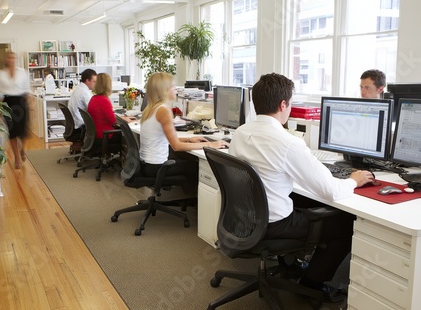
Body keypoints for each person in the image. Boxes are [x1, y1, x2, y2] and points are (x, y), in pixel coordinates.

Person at [229, 73, 374, 302]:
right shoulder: (288, 143)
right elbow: (331, 191)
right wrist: (353, 180)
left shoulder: (241, 133)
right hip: (274, 225)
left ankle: (290, 263)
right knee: (345, 223)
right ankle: (312, 284)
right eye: (291, 103)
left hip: (245, 218)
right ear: (283, 104)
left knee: (306, 202)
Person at [139, 72, 228, 195]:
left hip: (147, 165)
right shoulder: (163, 110)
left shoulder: (150, 109)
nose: (176, 89)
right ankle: (195, 206)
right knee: (194, 166)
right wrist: (210, 145)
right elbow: (176, 146)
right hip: (157, 168)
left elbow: (162, 139)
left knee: (186, 161)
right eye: (173, 87)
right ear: (164, 90)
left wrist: (189, 140)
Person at [0, 51, 32, 169]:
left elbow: (28, 89)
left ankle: (23, 150)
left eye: (12, 57)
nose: (11, 60)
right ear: (6, 60)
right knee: (12, 133)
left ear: (15, 59)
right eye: (8, 58)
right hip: (8, 103)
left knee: (23, 132)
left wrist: (31, 104)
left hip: (21, 102)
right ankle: (16, 157)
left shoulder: (23, 72)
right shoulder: (0, 74)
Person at [87, 73, 121, 147]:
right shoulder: (103, 100)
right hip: (105, 135)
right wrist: (126, 119)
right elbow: (113, 121)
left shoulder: (94, 98)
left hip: (96, 134)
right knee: (126, 137)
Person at [68, 68, 97, 140]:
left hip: (74, 124)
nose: (95, 84)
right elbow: (93, 110)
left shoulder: (78, 88)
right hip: (81, 126)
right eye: (94, 81)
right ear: (87, 81)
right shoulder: (84, 92)